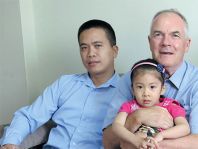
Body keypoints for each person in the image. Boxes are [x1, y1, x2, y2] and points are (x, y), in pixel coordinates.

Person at [103, 9, 198, 149]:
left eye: (175, 35)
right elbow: (108, 142)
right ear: (150, 42)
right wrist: (137, 117)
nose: (165, 42)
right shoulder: (129, 79)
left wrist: (145, 144)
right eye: (158, 35)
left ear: (187, 44)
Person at [0, 19, 119, 148]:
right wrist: (10, 142)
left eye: (97, 45)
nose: (90, 54)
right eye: (84, 48)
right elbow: (29, 116)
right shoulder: (65, 83)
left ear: (114, 51)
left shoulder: (128, 91)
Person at [112, 58, 190, 149]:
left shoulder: (170, 105)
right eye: (140, 87)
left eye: (152, 87)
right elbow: (116, 126)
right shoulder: (129, 106)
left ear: (162, 89)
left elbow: (185, 128)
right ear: (133, 89)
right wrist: (136, 140)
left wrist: (162, 135)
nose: (146, 93)